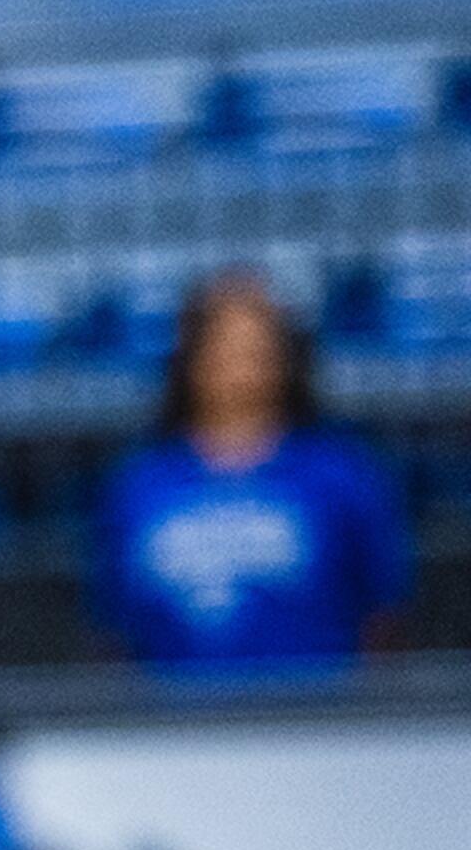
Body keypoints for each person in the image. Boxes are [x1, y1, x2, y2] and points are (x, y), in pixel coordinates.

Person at [93, 269, 412, 671]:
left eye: (256, 351)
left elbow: (384, 613)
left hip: (318, 718)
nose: (240, 370)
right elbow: (115, 627)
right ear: (191, 358)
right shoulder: (141, 482)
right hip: (174, 722)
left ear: (285, 359)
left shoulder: (339, 473)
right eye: (224, 350)